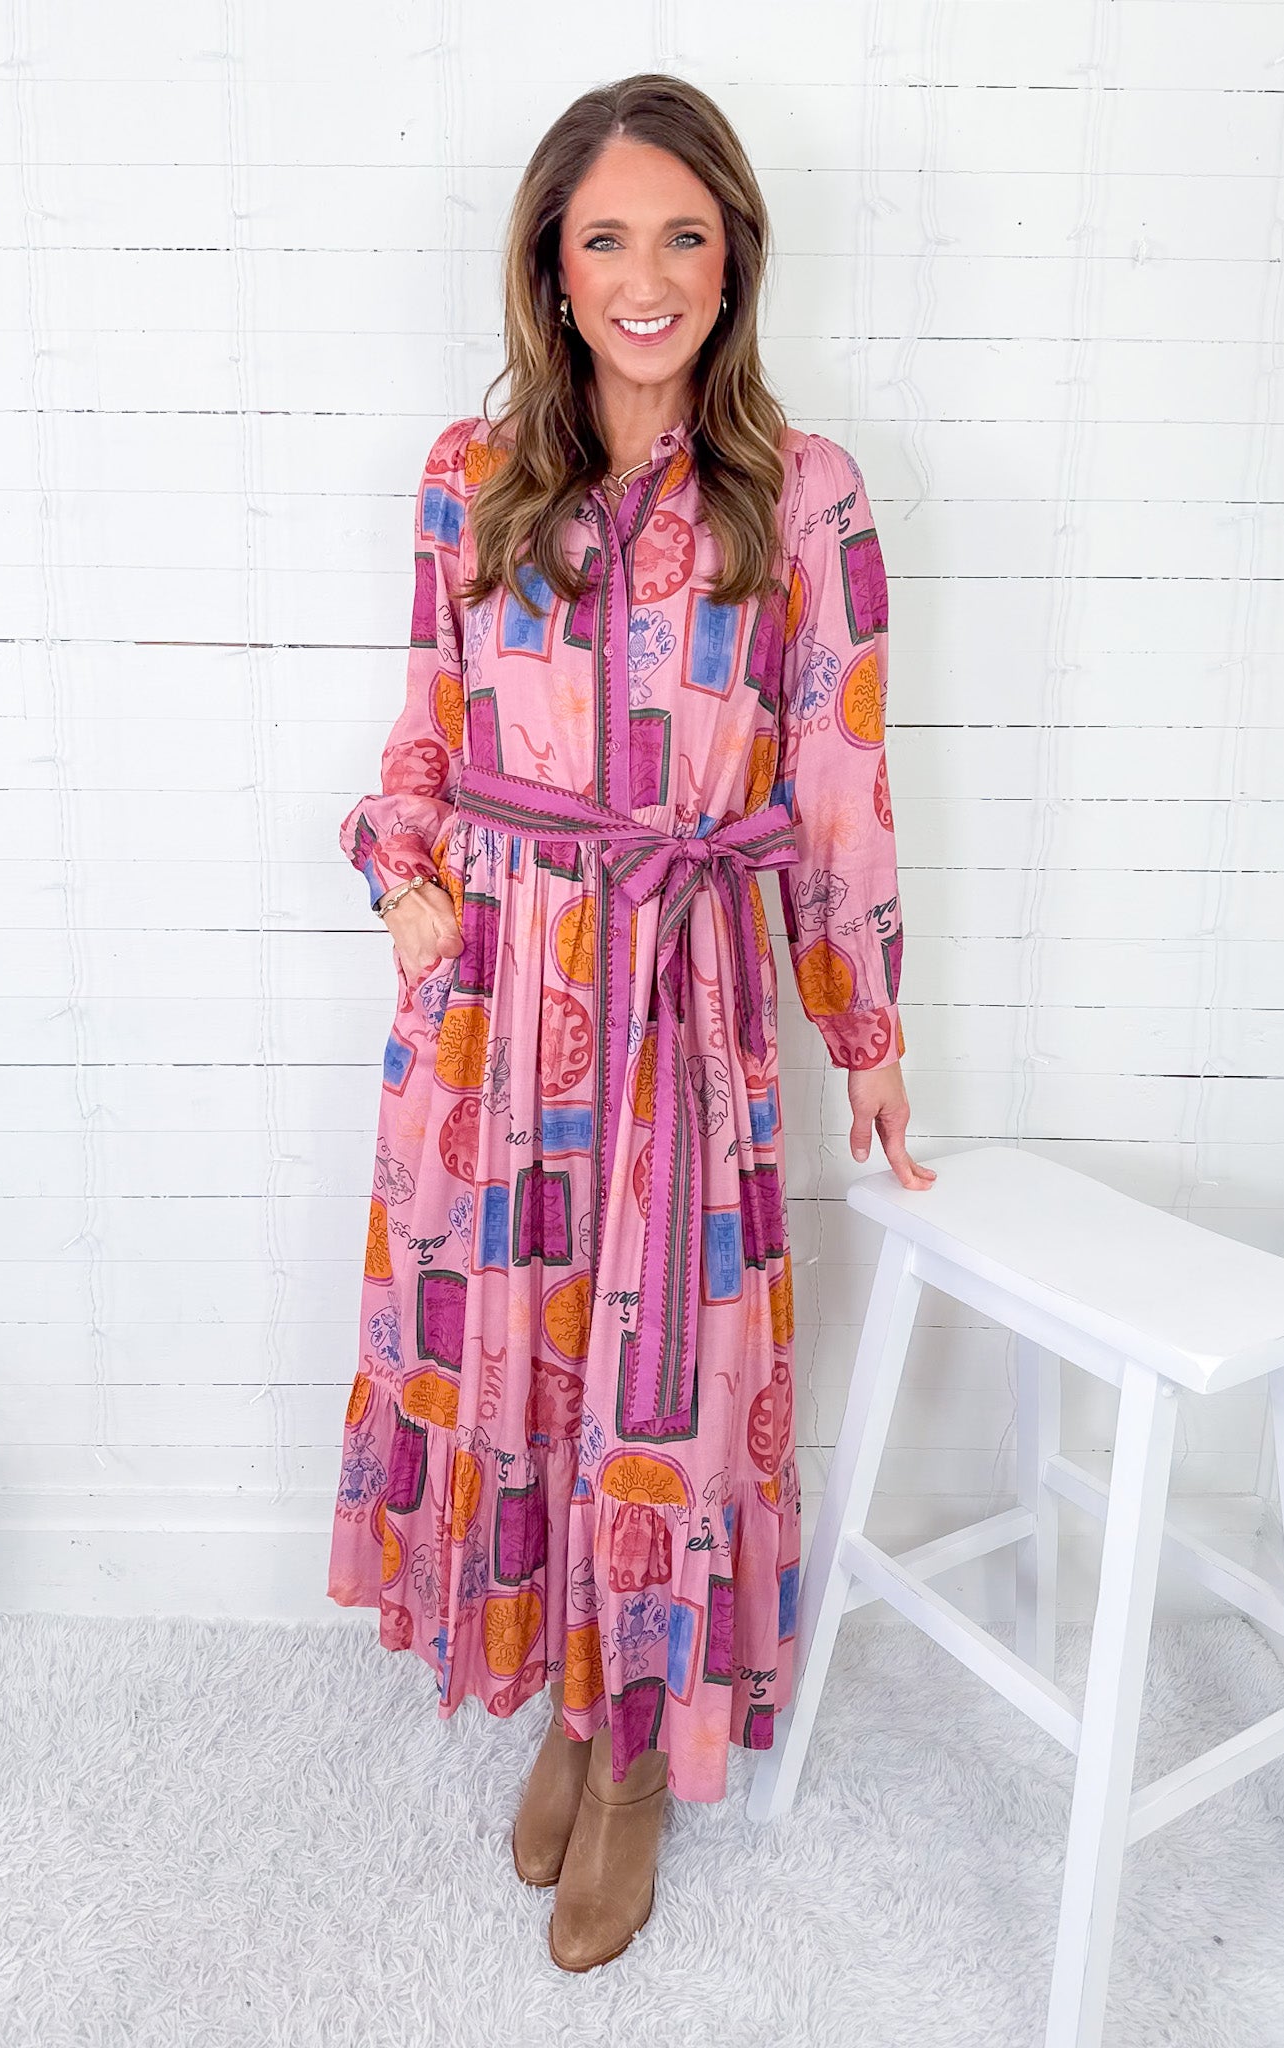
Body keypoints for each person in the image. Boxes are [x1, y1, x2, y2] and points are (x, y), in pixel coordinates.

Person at [326, 71, 935, 1973]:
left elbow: (838, 781)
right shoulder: (469, 474)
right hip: (495, 1002)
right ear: (551, 263)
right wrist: (403, 875)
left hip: (679, 1002)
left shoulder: (803, 492)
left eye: (684, 232)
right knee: (525, 1361)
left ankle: (637, 1759)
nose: (646, 273)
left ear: (735, 252)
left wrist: (868, 1033)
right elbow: (426, 721)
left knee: (660, 1395)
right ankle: (567, 1708)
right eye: (606, 237)